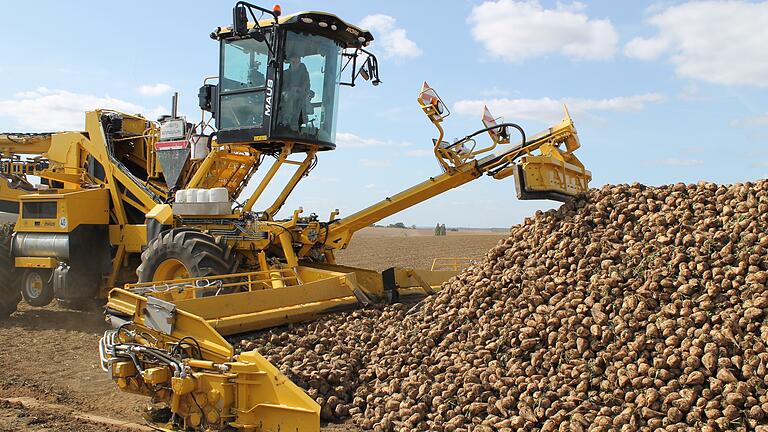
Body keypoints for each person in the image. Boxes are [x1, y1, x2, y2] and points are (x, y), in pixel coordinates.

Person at [280, 55, 314, 131]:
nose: (295, 64)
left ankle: (301, 120)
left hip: (300, 93)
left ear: (300, 62)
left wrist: (300, 89)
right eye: (293, 62)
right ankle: (287, 120)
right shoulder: (285, 74)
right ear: (290, 62)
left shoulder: (304, 74)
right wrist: (291, 89)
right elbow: (281, 87)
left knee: (303, 97)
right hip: (286, 94)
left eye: (297, 62)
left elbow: (306, 86)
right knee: (289, 95)